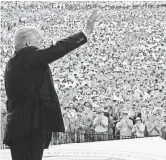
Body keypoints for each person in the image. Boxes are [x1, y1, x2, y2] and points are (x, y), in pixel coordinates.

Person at [3, 10, 100, 160]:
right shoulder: (27, 57)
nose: (41, 44)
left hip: (19, 126)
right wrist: (85, 32)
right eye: (38, 40)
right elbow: (57, 49)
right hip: (29, 126)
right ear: (28, 43)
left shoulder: (14, 62)